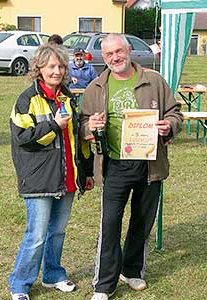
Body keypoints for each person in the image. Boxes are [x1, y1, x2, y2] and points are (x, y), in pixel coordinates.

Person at [80, 33, 183, 300]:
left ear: (129, 51)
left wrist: (168, 126)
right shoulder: (96, 87)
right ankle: (104, 285)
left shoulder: (154, 81)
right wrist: (89, 127)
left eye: (119, 51)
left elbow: (175, 112)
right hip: (114, 165)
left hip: (150, 165)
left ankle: (132, 270)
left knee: (142, 221)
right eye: (109, 54)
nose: (115, 57)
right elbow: (81, 124)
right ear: (104, 57)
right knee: (110, 224)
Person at [9, 43, 94, 300]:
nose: (57, 71)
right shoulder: (27, 99)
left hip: (66, 177)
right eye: (51, 66)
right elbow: (23, 137)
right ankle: (20, 284)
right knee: (35, 235)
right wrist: (54, 124)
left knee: (57, 231)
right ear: (39, 69)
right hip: (39, 179)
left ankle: (52, 274)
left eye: (61, 66)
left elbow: (78, 139)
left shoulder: (67, 97)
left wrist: (86, 172)